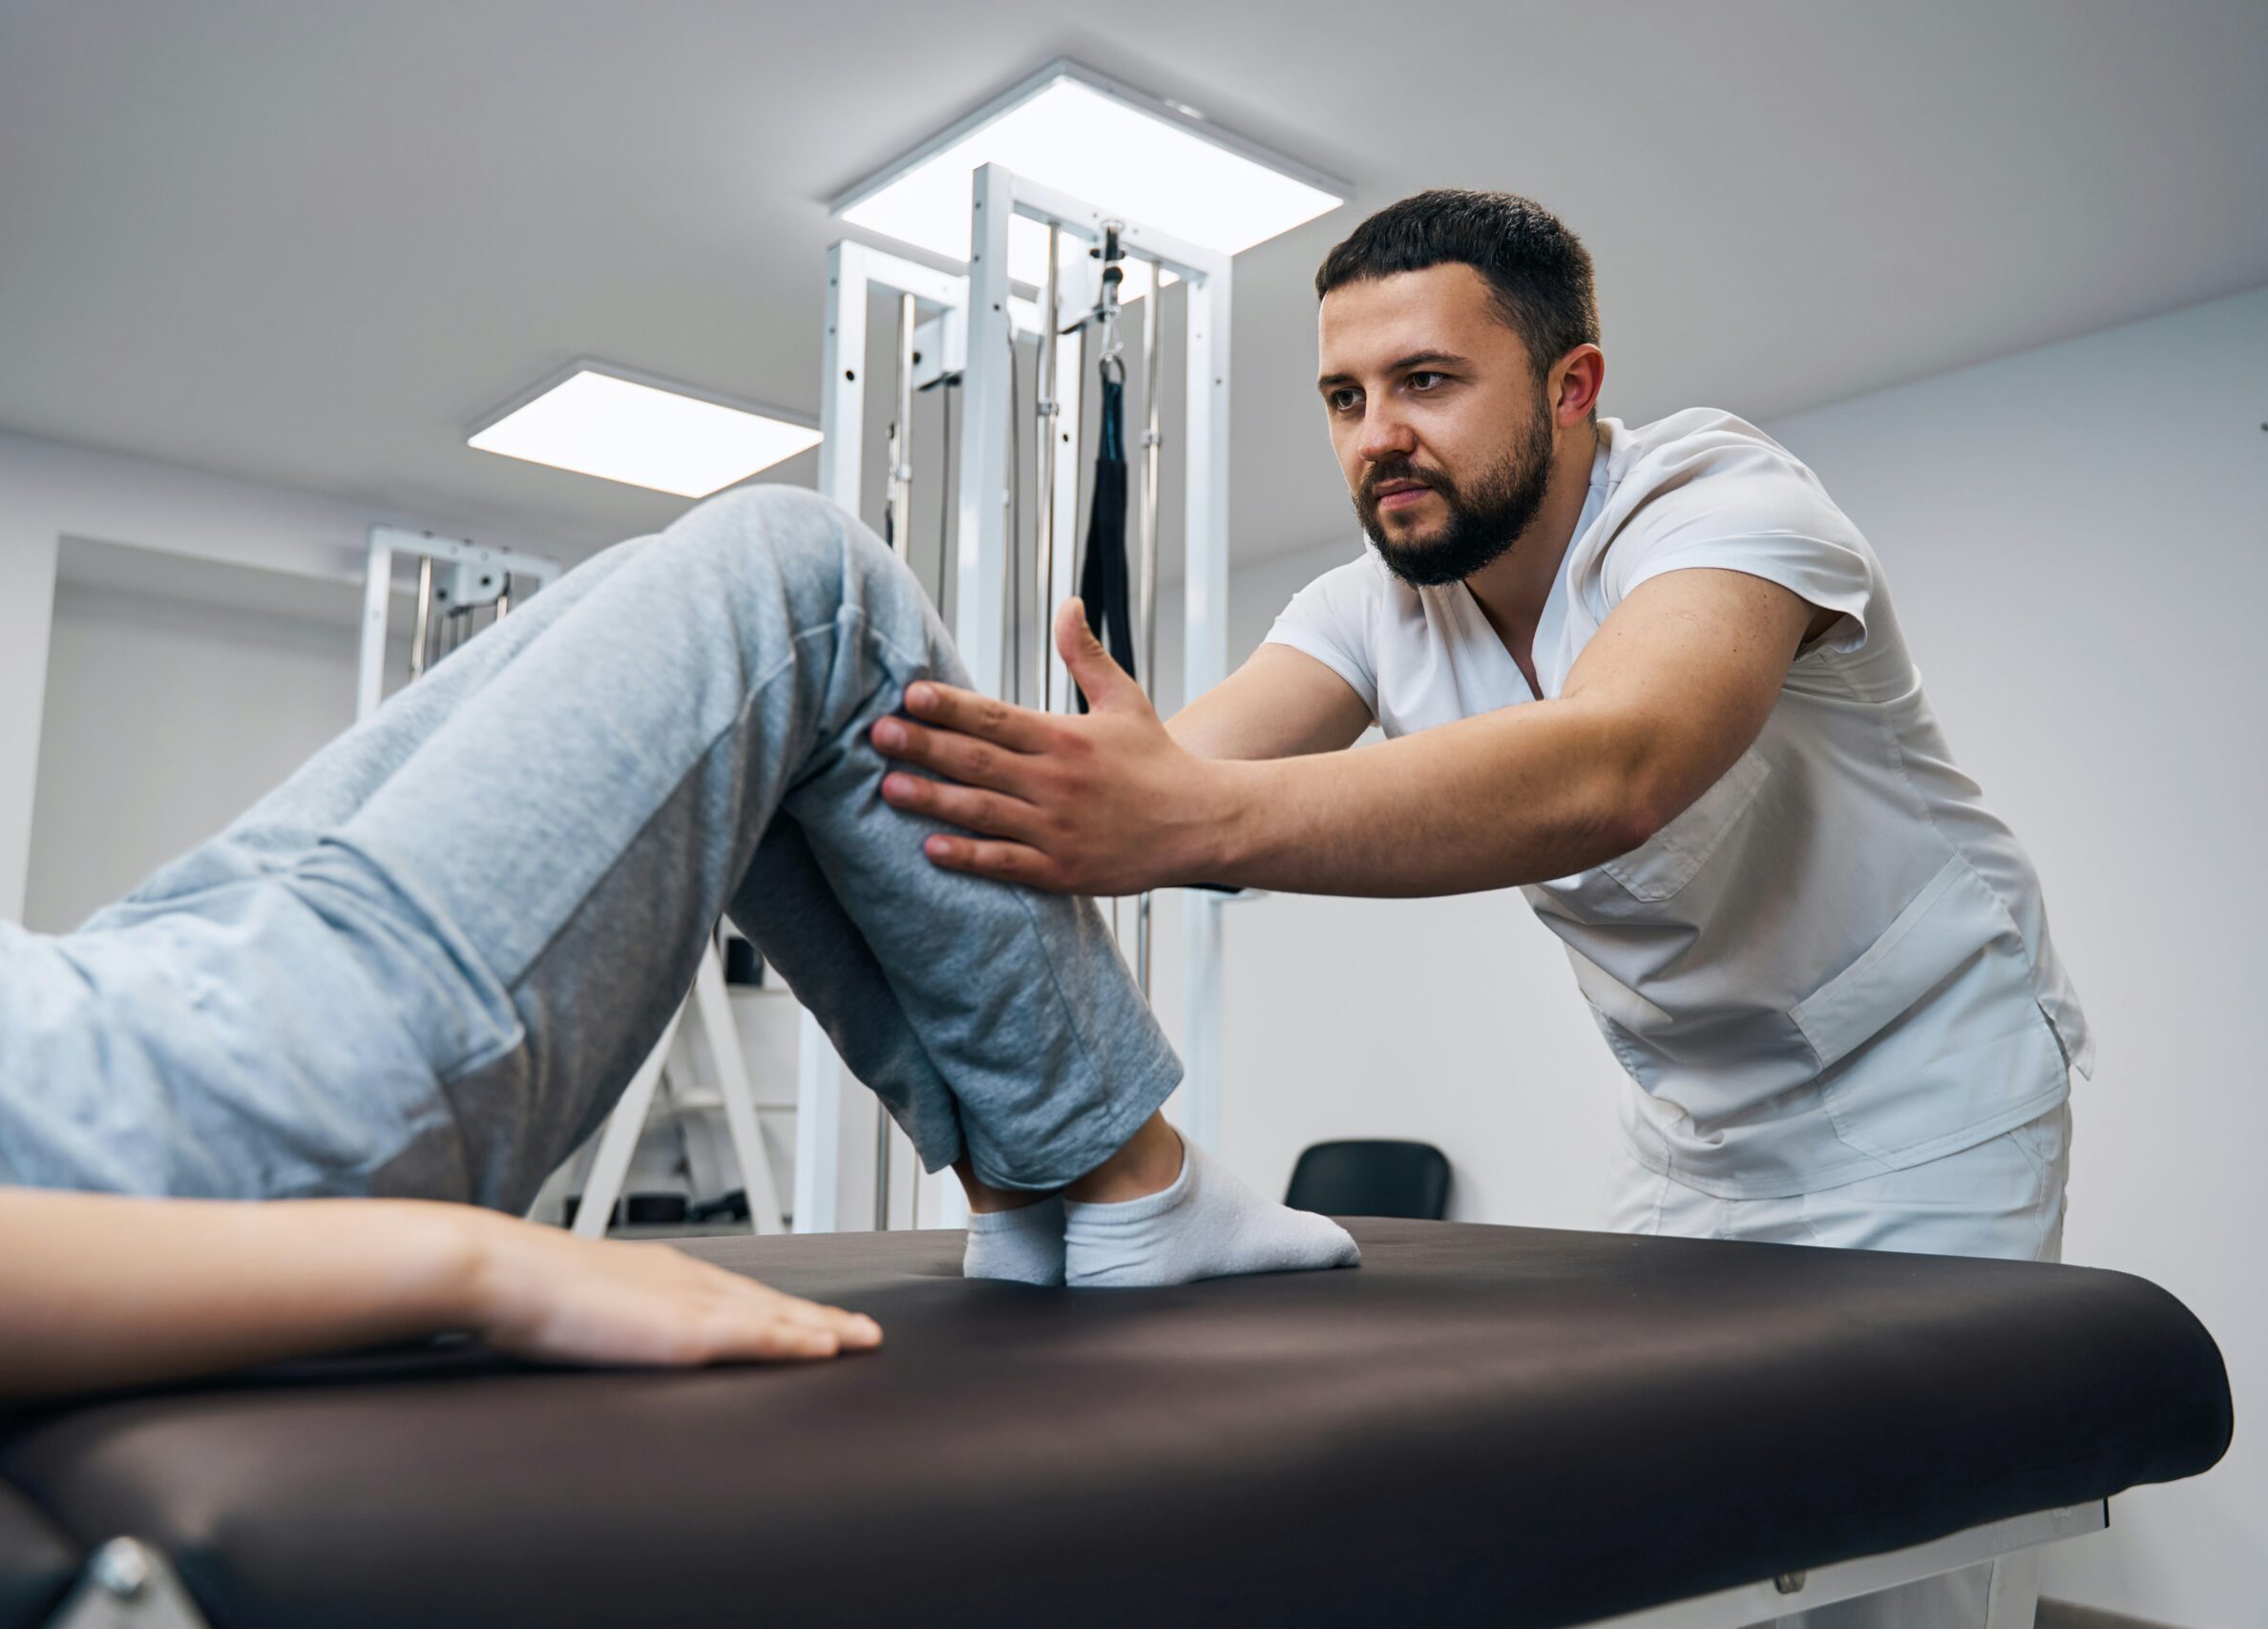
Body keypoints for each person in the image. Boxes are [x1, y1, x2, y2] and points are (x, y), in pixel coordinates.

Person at [872, 189, 2084, 1629]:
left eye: (1426, 382)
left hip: (1933, 1100)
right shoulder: (1369, 607)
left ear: (1572, 390)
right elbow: (1166, 782)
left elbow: (1613, 766)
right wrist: (957, 818)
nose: (1377, 433)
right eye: (1344, 395)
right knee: (1672, 1548)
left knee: (1893, 1583)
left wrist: (1173, 817)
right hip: (1696, 1134)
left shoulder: (1730, 510)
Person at [0, 485, 1357, 1402]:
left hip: (105, 986)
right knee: (801, 578)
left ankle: (1033, 1188)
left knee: (661, 596)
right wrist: (477, 1263)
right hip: (173, 1096)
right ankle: (1123, 1175)